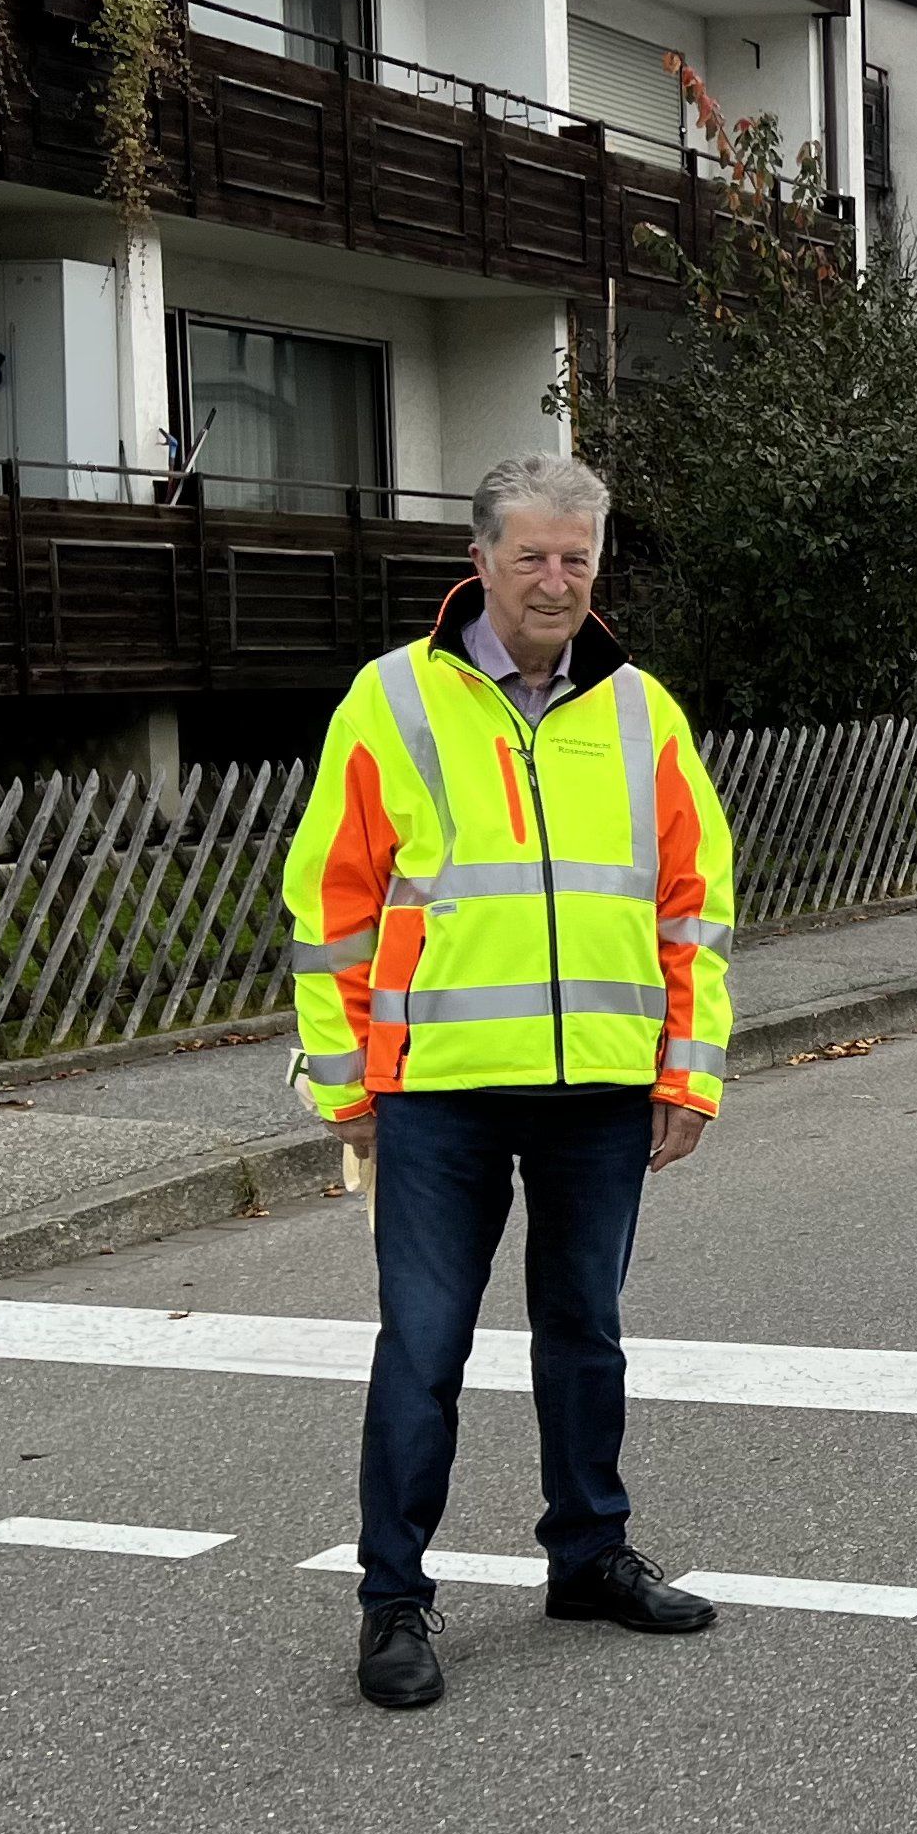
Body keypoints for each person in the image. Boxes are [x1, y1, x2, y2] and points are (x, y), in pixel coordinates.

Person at [282, 452, 737, 1713]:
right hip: (437, 1089)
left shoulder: (644, 713)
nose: (553, 581)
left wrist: (686, 1074)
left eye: (575, 559)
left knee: (586, 1338)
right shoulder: (392, 703)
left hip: (600, 1083)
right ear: (477, 561)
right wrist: (343, 1084)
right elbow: (330, 907)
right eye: (530, 556)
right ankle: (393, 1601)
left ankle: (588, 1556)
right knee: (423, 1347)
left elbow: (694, 911)